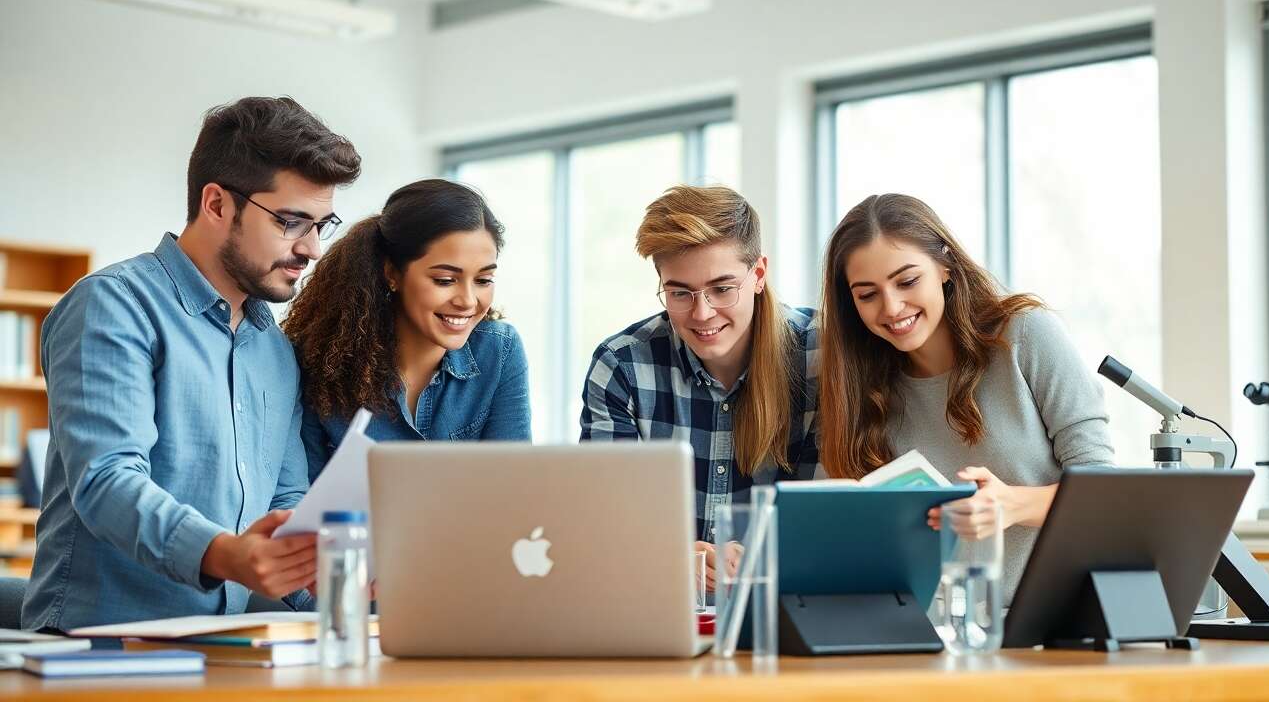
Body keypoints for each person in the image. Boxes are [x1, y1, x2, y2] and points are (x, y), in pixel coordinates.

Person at [23, 97, 360, 631]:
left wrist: (343, 584)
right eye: (292, 222)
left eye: (323, 224)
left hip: (219, 647)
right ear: (217, 204)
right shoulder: (114, 305)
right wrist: (228, 555)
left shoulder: (272, 347)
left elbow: (284, 498)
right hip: (96, 648)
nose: (313, 249)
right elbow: (106, 481)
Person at [818, 193, 1113, 599]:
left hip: (1052, 622)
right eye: (867, 294)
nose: (891, 307)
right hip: (929, 633)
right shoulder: (859, 387)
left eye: (907, 281)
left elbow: (1105, 492)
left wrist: (1011, 505)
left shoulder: (1025, 334)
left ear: (945, 266)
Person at [580, 184, 818, 592]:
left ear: (758, 274)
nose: (702, 313)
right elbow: (606, 524)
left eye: (722, 289)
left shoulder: (820, 354)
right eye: (679, 293)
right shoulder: (621, 365)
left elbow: (829, 517)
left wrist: (761, 557)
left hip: (787, 606)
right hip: (659, 608)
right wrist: (672, 555)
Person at [285, 179, 529, 480]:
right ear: (392, 274)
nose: (468, 301)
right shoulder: (316, 361)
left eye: (483, 280)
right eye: (444, 280)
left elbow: (512, 486)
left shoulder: (500, 352)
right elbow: (300, 501)